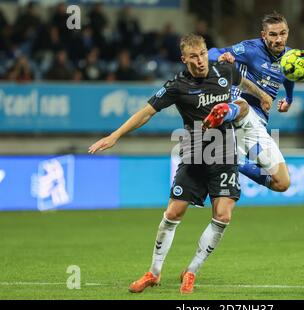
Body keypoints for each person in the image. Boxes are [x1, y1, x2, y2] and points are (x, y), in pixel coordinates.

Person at [88, 34, 272, 294]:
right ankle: (153, 273)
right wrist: (114, 136)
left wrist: (262, 94)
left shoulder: (224, 69)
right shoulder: (177, 85)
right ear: (184, 59)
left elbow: (241, 80)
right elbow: (146, 112)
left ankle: (192, 271)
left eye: (202, 54)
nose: (199, 61)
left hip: (224, 157)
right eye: (193, 57)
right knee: (173, 214)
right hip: (195, 156)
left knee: (223, 215)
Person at [205, 12, 294, 192]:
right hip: (238, 104)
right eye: (273, 34)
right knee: (243, 106)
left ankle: (234, 159)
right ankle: (224, 111)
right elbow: (210, 53)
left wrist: (289, 98)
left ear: (288, 32)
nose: (279, 39)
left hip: (257, 123)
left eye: (282, 33)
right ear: (263, 35)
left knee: (282, 183)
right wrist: (221, 58)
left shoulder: (291, 56)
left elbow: (290, 76)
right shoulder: (250, 49)